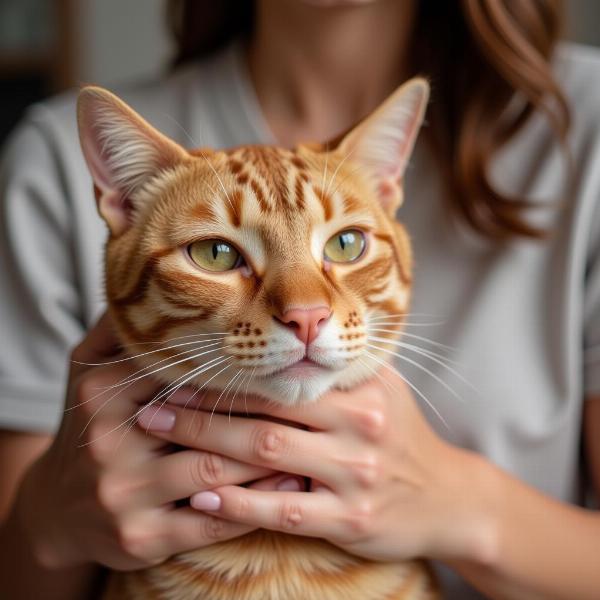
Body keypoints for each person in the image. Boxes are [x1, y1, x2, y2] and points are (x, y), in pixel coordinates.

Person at [1, 1, 600, 598]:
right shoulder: (50, 158)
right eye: (217, 253)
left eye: (345, 243)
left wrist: (460, 505)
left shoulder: (585, 119)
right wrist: (49, 518)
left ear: (391, 184)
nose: (303, 309)